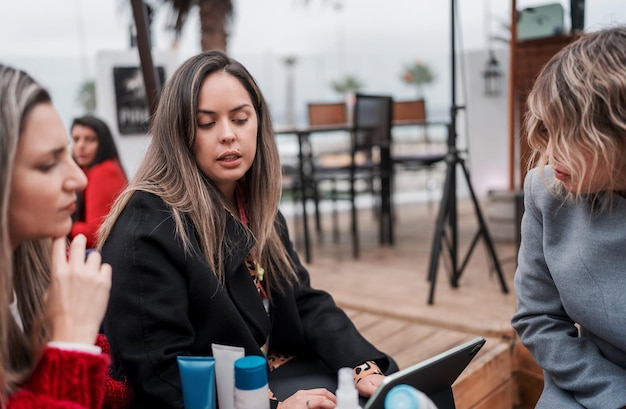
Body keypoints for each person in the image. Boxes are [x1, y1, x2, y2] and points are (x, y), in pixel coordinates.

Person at [98, 50, 398, 409]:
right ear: (178, 133)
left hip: (277, 378)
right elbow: (160, 375)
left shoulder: (252, 204)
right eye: (206, 123)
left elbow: (301, 300)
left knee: (405, 394)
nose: (228, 136)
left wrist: (362, 367)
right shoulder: (148, 229)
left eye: (240, 119)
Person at [0, 64, 131, 408]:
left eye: (71, 151)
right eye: (47, 163)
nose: (78, 178)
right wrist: (72, 343)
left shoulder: (43, 262)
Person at [511, 26, 626, 408]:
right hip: (583, 387)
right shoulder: (546, 192)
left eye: (569, 132)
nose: (546, 149)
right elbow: (538, 320)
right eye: (546, 128)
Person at [70, 115, 127, 249]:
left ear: (103, 143)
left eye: (90, 139)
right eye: (76, 139)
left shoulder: (104, 171)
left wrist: (65, 226)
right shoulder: (87, 171)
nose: (81, 146)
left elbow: (95, 232)